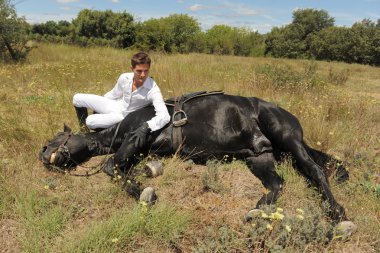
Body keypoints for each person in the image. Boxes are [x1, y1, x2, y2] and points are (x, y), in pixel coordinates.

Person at [72, 51, 170, 148]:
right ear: (132, 69)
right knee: (77, 98)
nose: (143, 75)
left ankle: (101, 134)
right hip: (116, 105)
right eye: (139, 71)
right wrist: (98, 107)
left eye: (146, 71)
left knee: (90, 121)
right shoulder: (124, 78)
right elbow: (113, 94)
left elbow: (164, 116)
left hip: (124, 117)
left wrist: (147, 126)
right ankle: (83, 131)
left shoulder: (153, 89)